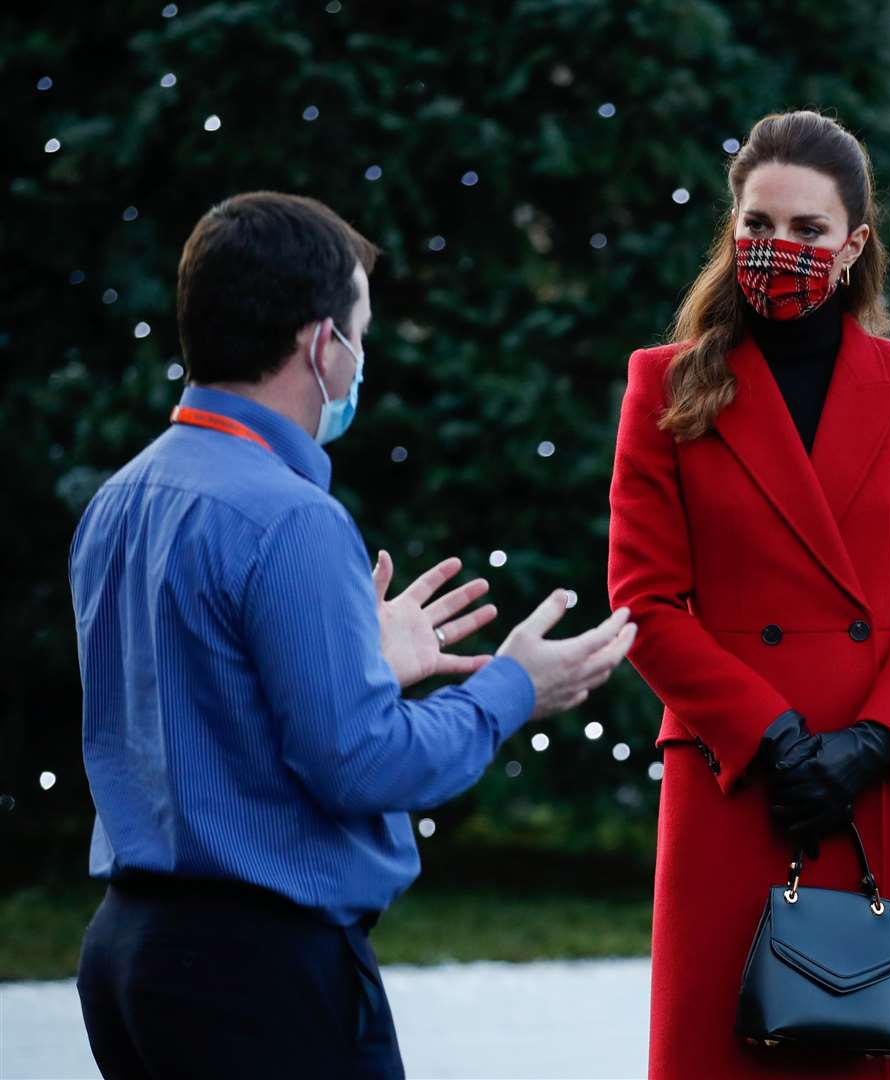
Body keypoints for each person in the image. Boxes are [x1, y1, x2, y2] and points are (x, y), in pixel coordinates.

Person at [70, 191, 637, 1078]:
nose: (362, 357)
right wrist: (513, 686)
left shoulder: (121, 499)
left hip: (126, 956)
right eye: (361, 330)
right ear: (320, 344)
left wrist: (359, 664)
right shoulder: (291, 518)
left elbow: (194, 715)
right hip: (257, 977)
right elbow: (361, 764)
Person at [607, 111, 890, 1078]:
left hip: (879, 778)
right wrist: (771, 738)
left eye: (809, 231)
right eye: (758, 224)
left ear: (854, 244)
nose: (779, 249)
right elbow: (644, 603)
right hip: (738, 778)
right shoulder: (667, 386)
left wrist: (873, 742)